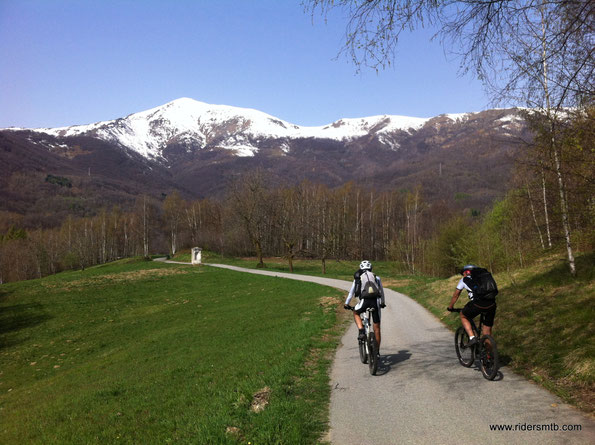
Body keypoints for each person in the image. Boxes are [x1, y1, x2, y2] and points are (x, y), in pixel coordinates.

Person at [447, 264, 497, 346]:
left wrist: (450, 307)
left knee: (463, 315)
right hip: (491, 303)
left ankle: (472, 337)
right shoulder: (484, 276)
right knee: (487, 332)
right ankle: (489, 356)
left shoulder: (464, 280)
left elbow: (456, 295)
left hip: (477, 304)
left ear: (465, 272)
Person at [344, 260, 386, 354]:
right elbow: (381, 292)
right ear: (371, 268)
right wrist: (382, 303)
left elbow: (351, 292)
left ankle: (362, 330)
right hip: (375, 302)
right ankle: (377, 352)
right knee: (377, 328)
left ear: (360, 268)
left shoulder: (358, 278)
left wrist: (346, 304)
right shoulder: (376, 277)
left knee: (355, 312)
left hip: (364, 301)